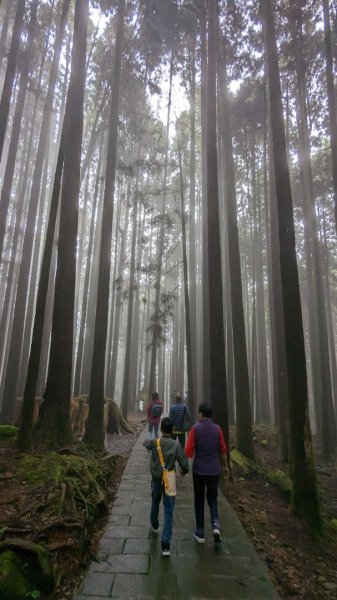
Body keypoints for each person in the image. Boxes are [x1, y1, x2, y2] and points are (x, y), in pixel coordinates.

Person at [143, 417, 189, 557]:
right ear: (173, 429)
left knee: (155, 501)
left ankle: (154, 522)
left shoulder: (155, 442)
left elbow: (146, 443)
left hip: (157, 479)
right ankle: (166, 545)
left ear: (161, 429)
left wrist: (149, 443)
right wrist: (182, 472)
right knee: (169, 511)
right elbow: (184, 464)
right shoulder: (176, 445)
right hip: (169, 479)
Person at [185, 402, 228, 544]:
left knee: (199, 499)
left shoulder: (195, 429)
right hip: (214, 469)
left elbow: (189, 450)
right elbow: (222, 449)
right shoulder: (217, 429)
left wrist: (184, 465)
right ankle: (216, 524)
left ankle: (200, 532)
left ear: (200, 414)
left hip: (199, 469)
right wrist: (225, 466)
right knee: (212, 497)